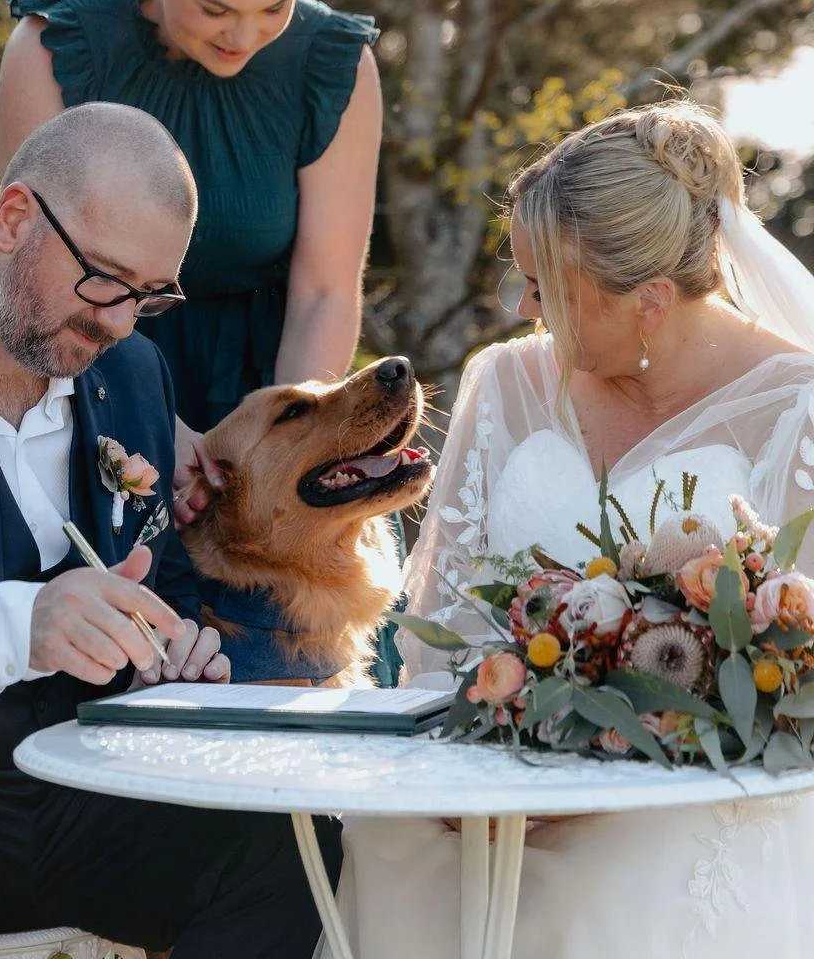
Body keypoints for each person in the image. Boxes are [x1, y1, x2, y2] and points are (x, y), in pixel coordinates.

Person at [0, 102, 339, 959]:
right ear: (15, 219)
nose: (118, 322)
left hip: (75, 782)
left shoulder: (134, 370)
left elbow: (162, 582)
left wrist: (170, 652)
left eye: (151, 296)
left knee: (287, 849)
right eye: (105, 279)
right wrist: (21, 626)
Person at [325, 102, 814, 958]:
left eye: (547, 288)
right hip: (495, 764)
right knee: (388, 839)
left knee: (614, 880)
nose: (525, 308)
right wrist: (496, 750)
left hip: (695, 782)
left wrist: (621, 755)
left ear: (650, 302)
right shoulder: (504, 381)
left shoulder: (795, 406)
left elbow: (796, 667)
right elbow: (446, 623)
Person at [0, 0, 382, 525]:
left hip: (269, 375)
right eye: (215, 9)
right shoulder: (54, 47)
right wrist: (150, 418)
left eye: (275, 7)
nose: (244, 36)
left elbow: (325, 291)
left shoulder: (334, 62)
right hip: (90, 364)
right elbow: (35, 269)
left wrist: (289, 445)